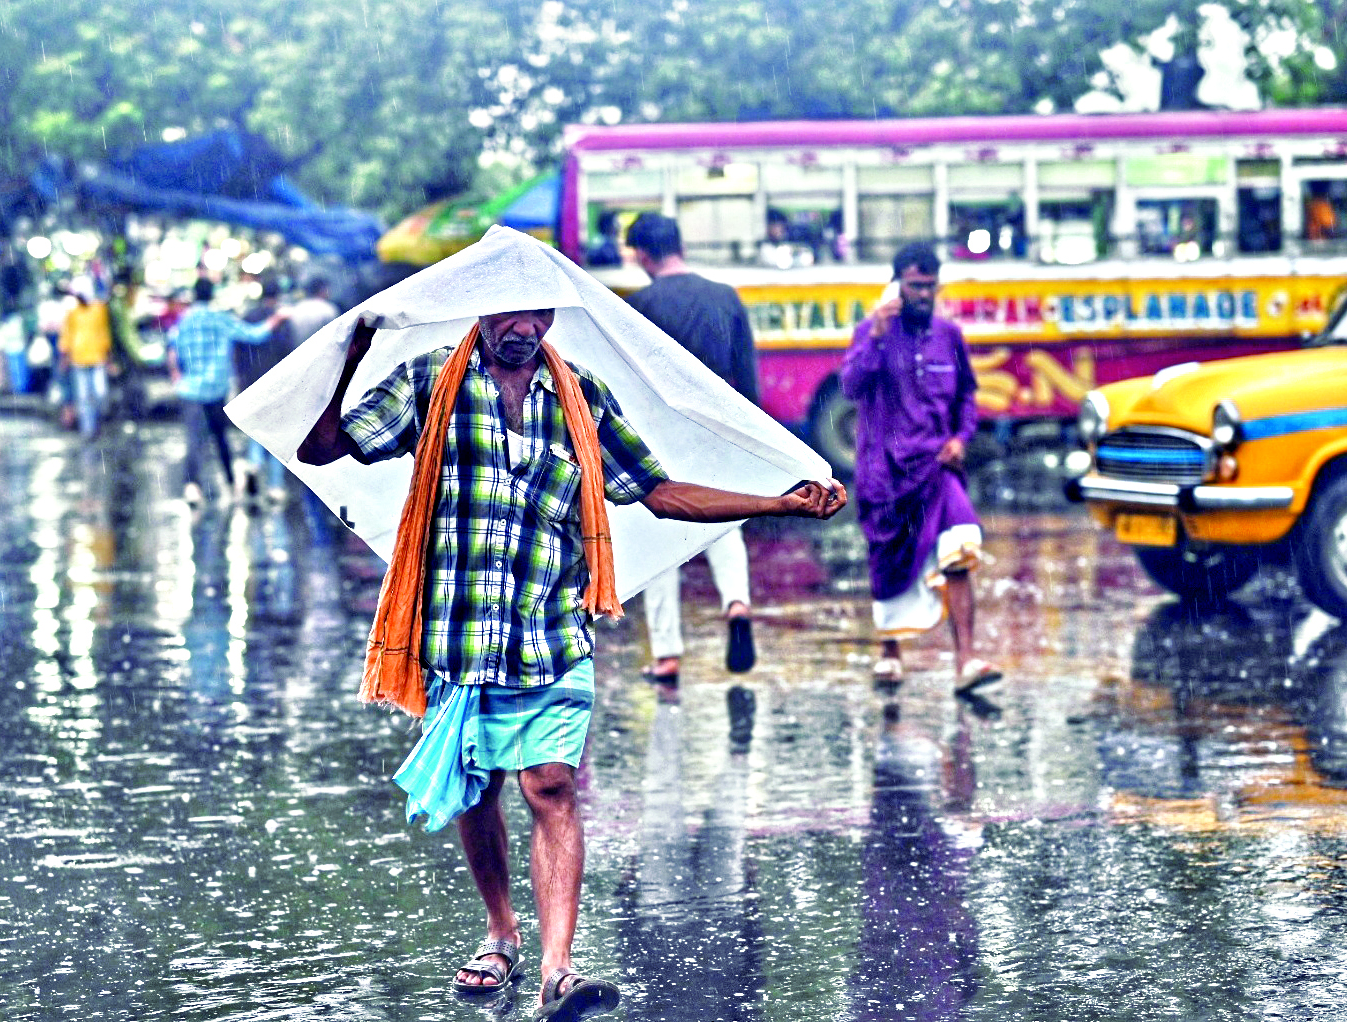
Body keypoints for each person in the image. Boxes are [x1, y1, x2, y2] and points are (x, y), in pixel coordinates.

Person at [296, 306, 845, 1021]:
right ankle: (501, 935)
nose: (522, 327)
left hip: (553, 629)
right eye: (508, 313)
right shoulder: (432, 379)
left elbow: (660, 491)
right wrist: (354, 359)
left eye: (536, 314)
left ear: (551, 314)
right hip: (461, 633)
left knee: (551, 785)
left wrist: (777, 504)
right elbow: (323, 448)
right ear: (484, 309)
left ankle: (559, 966)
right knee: (475, 789)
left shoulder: (581, 397)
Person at [840, 241, 1001, 695]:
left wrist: (959, 438)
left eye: (931, 286)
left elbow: (968, 394)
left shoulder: (949, 336)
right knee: (889, 560)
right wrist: (875, 335)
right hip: (884, 472)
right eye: (915, 286)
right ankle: (891, 653)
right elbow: (851, 387)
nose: (925, 295)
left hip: (937, 467)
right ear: (897, 286)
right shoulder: (871, 332)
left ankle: (967, 661)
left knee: (960, 547)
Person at [625, 212, 761, 686]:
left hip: (662, 439)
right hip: (719, 435)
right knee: (725, 524)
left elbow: (632, 382)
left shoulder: (638, 305)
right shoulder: (724, 297)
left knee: (662, 541)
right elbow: (746, 376)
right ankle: (737, 603)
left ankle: (667, 655)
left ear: (643, 253)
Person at [168, 277, 285, 506]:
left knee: (194, 439)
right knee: (220, 436)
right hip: (215, 388)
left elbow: (173, 349)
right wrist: (276, 320)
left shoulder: (185, 321)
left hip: (190, 389)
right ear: (212, 295)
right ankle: (231, 482)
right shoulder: (221, 320)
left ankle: (192, 486)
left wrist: (177, 374)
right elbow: (254, 335)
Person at [234, 279, 297, 504]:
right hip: (275, 383)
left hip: (251, 382)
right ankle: (275, 487)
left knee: (256, 427)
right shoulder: (282, 321)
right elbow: (289, 352)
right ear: (278, 295)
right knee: (276, 433)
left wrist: (241, 378)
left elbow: (239, 350)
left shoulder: (248, 317)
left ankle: (254, 463)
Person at [58, 276, 113, 440]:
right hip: (78, 359)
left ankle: (97, 423)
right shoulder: (72, 312)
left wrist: (109, 358)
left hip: (97, 358)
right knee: (83, 397)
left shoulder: (99, 309)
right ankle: (88, 430)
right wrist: (64, 357)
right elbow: (67, 335)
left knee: (99, 393)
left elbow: (104, 333)